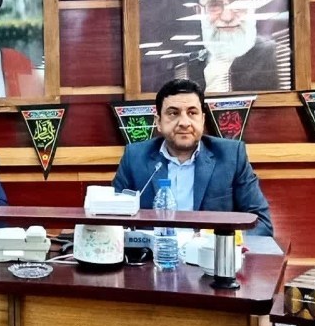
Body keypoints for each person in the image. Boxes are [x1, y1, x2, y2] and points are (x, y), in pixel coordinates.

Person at [112, 79, 274, 236]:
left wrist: (223, 241)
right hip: (154, 251)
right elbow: (112, 220)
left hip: (211, 252)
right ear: (159, 122)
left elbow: (261, 223)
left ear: (202, 120)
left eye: (192, 113)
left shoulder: (231, 156)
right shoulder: (135, 157)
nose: (184, 122)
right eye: (173, 113)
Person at [167, 0, 280, 94]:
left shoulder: (277, 57)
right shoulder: (188, 66)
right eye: (214, 5)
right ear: (198, 11)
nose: (227, 17)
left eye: (238, 4)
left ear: (254, 6)